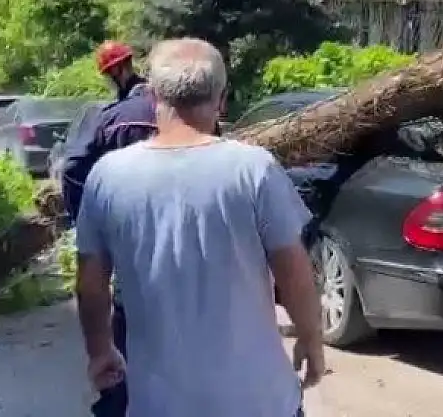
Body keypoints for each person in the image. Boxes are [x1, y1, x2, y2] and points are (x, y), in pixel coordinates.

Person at [75, 38, 325, 417]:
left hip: (159, 405)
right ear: (222, 100)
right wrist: (310, 338)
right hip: (260, 403)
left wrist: (100, 350)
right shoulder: (254, 169)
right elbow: (293, 271)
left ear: (154, 95)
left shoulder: (108, 176)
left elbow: (91, 281)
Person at [62, 40, 155, 417]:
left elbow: (72, 170)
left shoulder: (110, 117)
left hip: (130, 229)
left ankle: (120, 400)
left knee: (127, 314)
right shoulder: (175, 105)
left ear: (116, 72)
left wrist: (83, 219)